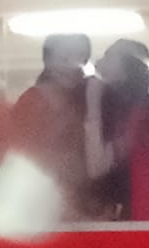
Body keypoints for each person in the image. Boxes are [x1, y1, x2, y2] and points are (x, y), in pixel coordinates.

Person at [84, 39, 149, 221]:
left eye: (111, 57)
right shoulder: (140, 107)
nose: (100, 62)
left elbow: (97, 166)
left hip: (146, 210)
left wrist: (92, 103)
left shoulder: (137, 111)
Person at [11, 33, 96, 220]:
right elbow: (21, 158)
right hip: (43, 205)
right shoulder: (32, 101)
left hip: (82, 202)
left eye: (80, 59)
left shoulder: (85, 99)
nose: (72, 66)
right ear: (48, 61)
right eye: (64, 58)